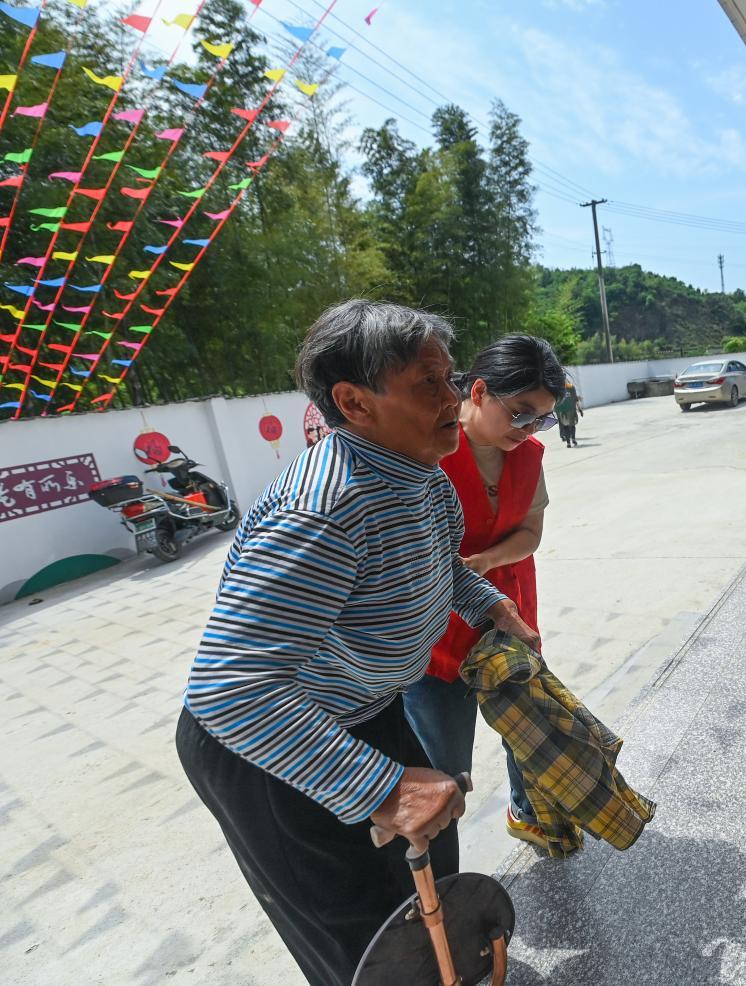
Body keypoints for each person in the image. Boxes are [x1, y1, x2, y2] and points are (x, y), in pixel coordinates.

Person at [175, 301, 539, 986]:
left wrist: (488, 603)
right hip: (266, 743)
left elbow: (435, 561)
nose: (453, 399)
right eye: (428, 385)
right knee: (366, 939)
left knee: (431, 879)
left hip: (364, 708)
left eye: (451, 379)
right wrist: (378, 787)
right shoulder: (326, 509)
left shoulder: (420, 473)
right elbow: (229, 689)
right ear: (354, 402)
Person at [404, 336, 565, 849]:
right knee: (443, 767)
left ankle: (526, 811)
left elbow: (531, 533)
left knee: (527, 729)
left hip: (510, 613)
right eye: (520, 413)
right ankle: (436, 868)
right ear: (477, 391)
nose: (529, 429)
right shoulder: (425, 453)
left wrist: (487, 562)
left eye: (541, 419)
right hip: (437, 634)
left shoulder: (529, 455)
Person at [555, 379, 583, 448]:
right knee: (572, 425)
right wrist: (579, 409)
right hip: (570, 409)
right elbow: (575, 399)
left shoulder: (556, 388)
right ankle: (573, 438)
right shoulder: (571, 387)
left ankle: (568, 443)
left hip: (561, 410)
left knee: (565, 426)